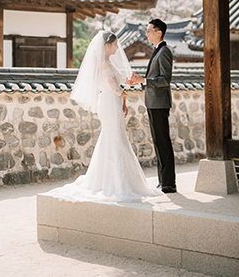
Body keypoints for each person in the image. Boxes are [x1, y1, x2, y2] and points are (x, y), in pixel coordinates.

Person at [47, 30, 163, 203]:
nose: (117, 47)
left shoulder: (106, 61)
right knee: (115, 138)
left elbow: (114, 87)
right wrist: (124, 95)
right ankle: (116, 182)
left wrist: (122, 99)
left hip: (111, 102)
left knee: (112, 138)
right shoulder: (104, 64)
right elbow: (114, 88)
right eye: (115, 44)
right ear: (107, 45)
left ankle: (107, 178)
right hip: (109, 102)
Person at [127, 19, 176, 194]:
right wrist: (140, 82)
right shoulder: (157, 51)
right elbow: (154, 79)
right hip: (153, 102)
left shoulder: (164, 52)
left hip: (160, 103)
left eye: (149, 31)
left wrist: (144, 80)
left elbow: (165, 80)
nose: (147, 34)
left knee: (163, 142)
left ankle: (169, 183)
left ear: (159, 32)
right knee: (157, 142)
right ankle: (163, 180)